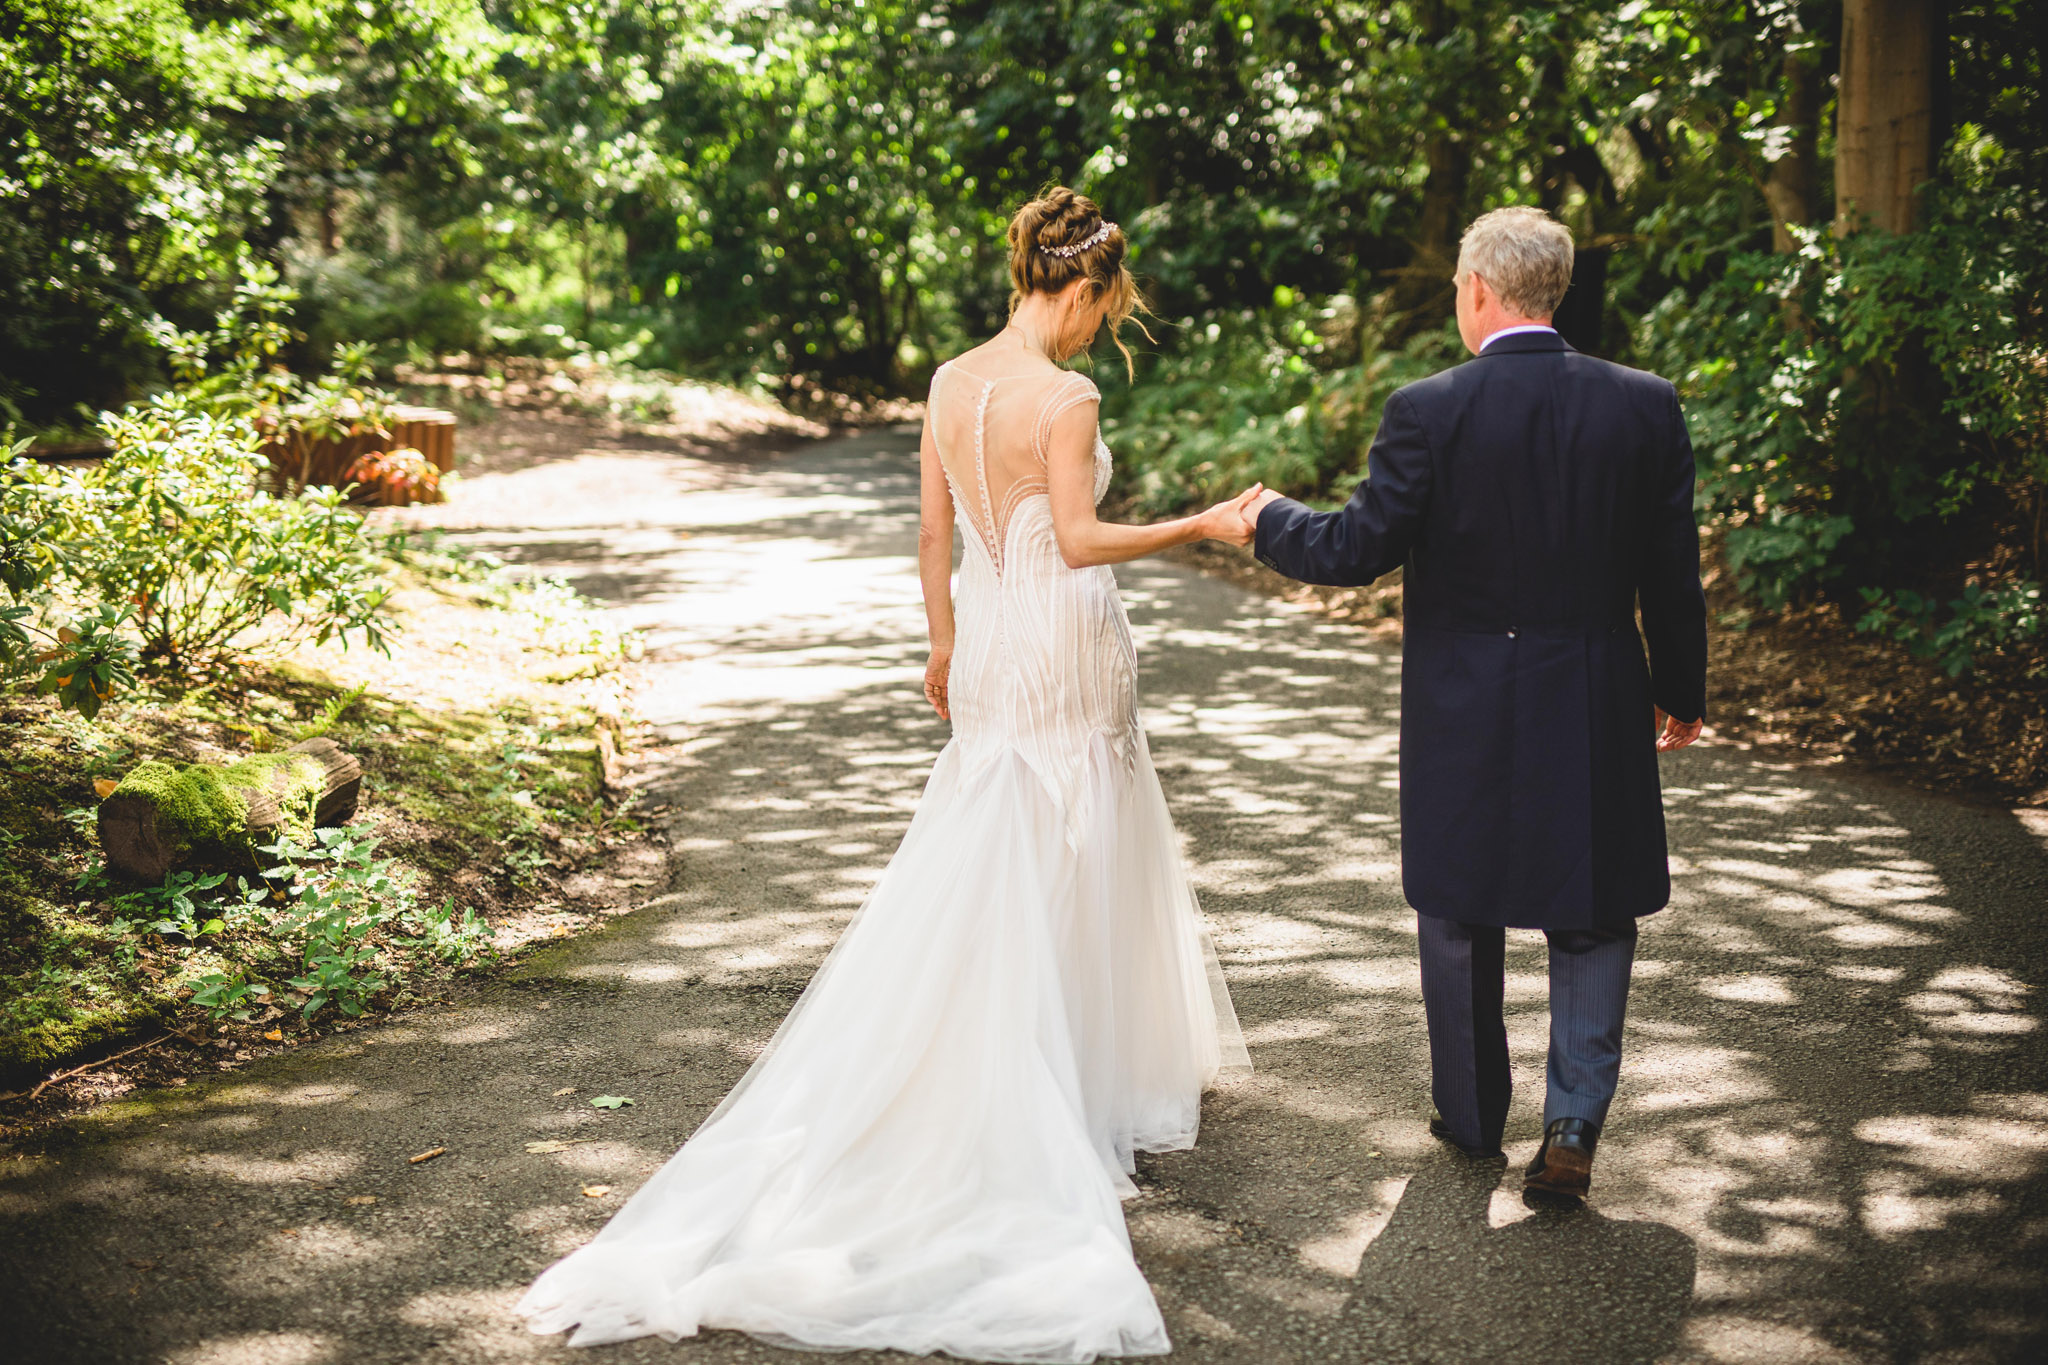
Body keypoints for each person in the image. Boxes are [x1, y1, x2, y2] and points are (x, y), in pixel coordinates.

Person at [517, 186, 1254, 1362]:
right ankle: (1056, 1093)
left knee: (1002, 843)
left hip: (988, 641)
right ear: (1079, 286)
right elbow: (1074, 539)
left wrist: (943, 642)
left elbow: (931, 534)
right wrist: (1204, 524)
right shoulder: (1065, 395)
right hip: (1064, 639)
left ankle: (1026, 1068)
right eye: (1104, 305)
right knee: (1079, 843)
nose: (1101, 326)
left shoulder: (952, 381)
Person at [1240, 205, 1707, 1207]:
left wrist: (1266, 520)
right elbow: (1672, 575)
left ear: (1477, 293)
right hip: (1591, 696)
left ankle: (1468, 1113)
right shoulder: (1643, 406)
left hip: (1465, 706)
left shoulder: (1427, 409)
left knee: (1459, 910)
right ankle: (1571, 1124)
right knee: (1591, 917)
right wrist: (1679, 693)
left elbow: (1352, 550)